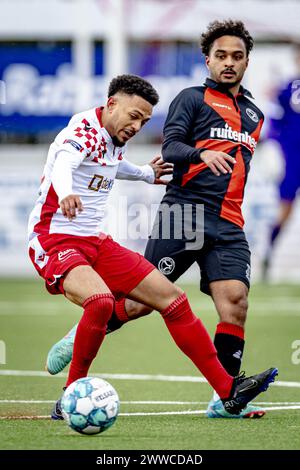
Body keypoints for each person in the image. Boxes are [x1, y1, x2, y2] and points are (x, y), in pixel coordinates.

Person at [34, 74, 277, 420]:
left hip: (95, 241)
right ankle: (70, 394)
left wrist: (145, 174)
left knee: (173, 300)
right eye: (134, 116)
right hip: (53, 237)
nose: (137, 126)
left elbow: (110, 165)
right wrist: (67, 191)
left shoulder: (112, 135)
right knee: (102, 302)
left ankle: (228, 393)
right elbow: (64, 163)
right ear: (112, 103)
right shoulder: (82, 131)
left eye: (145, 121)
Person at [262, 43, 300, 280]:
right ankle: (269, 252)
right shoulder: (285, 89)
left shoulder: (284, 89)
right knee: (284, 209)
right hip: (293, 159)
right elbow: (273, 124)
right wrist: (274, 147)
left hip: (291, 156)